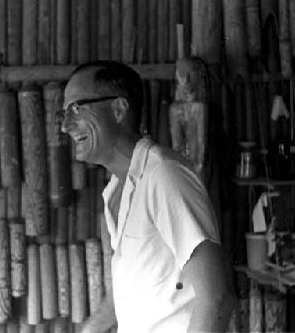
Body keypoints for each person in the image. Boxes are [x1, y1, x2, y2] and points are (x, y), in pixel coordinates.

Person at [61, 60, 236, 333]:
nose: (66, 125)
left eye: (75, 109)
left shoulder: (163, 175)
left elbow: (217, 298)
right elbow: (131, 294)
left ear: (118, 109)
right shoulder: (116, 191)